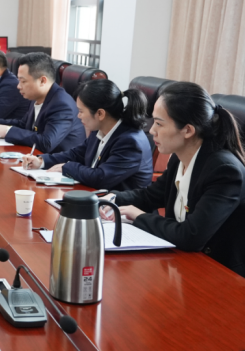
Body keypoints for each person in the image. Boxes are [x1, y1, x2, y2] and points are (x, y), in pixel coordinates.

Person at [101, 82, 245, 277]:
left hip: (219, 275)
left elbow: (191, 236)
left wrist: (138, 216)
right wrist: (110, 198)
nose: (152, 130)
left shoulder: (224, 170)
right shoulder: (180, 157)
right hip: (182, 263)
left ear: (188, 130)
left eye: (159, 124)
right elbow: (150, 196)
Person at [22, 79, 153, 190]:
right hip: (95, 196)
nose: (78, 116)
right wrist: (42, 161)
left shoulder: (130, 142)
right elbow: (76, 154)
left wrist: (67, 167)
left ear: (100, 114)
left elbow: (101, 177)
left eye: (81, 111)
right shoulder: (99, 128)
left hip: (120, 208)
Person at [0, 52, 85, 153]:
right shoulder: (37, 96)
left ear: (42, 81)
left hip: (57, 163)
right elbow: (23, 124)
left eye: (23, 81)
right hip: (34, 157)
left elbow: (46, 142)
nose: (18, 86)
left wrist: (8, 131)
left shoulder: (62, 105)